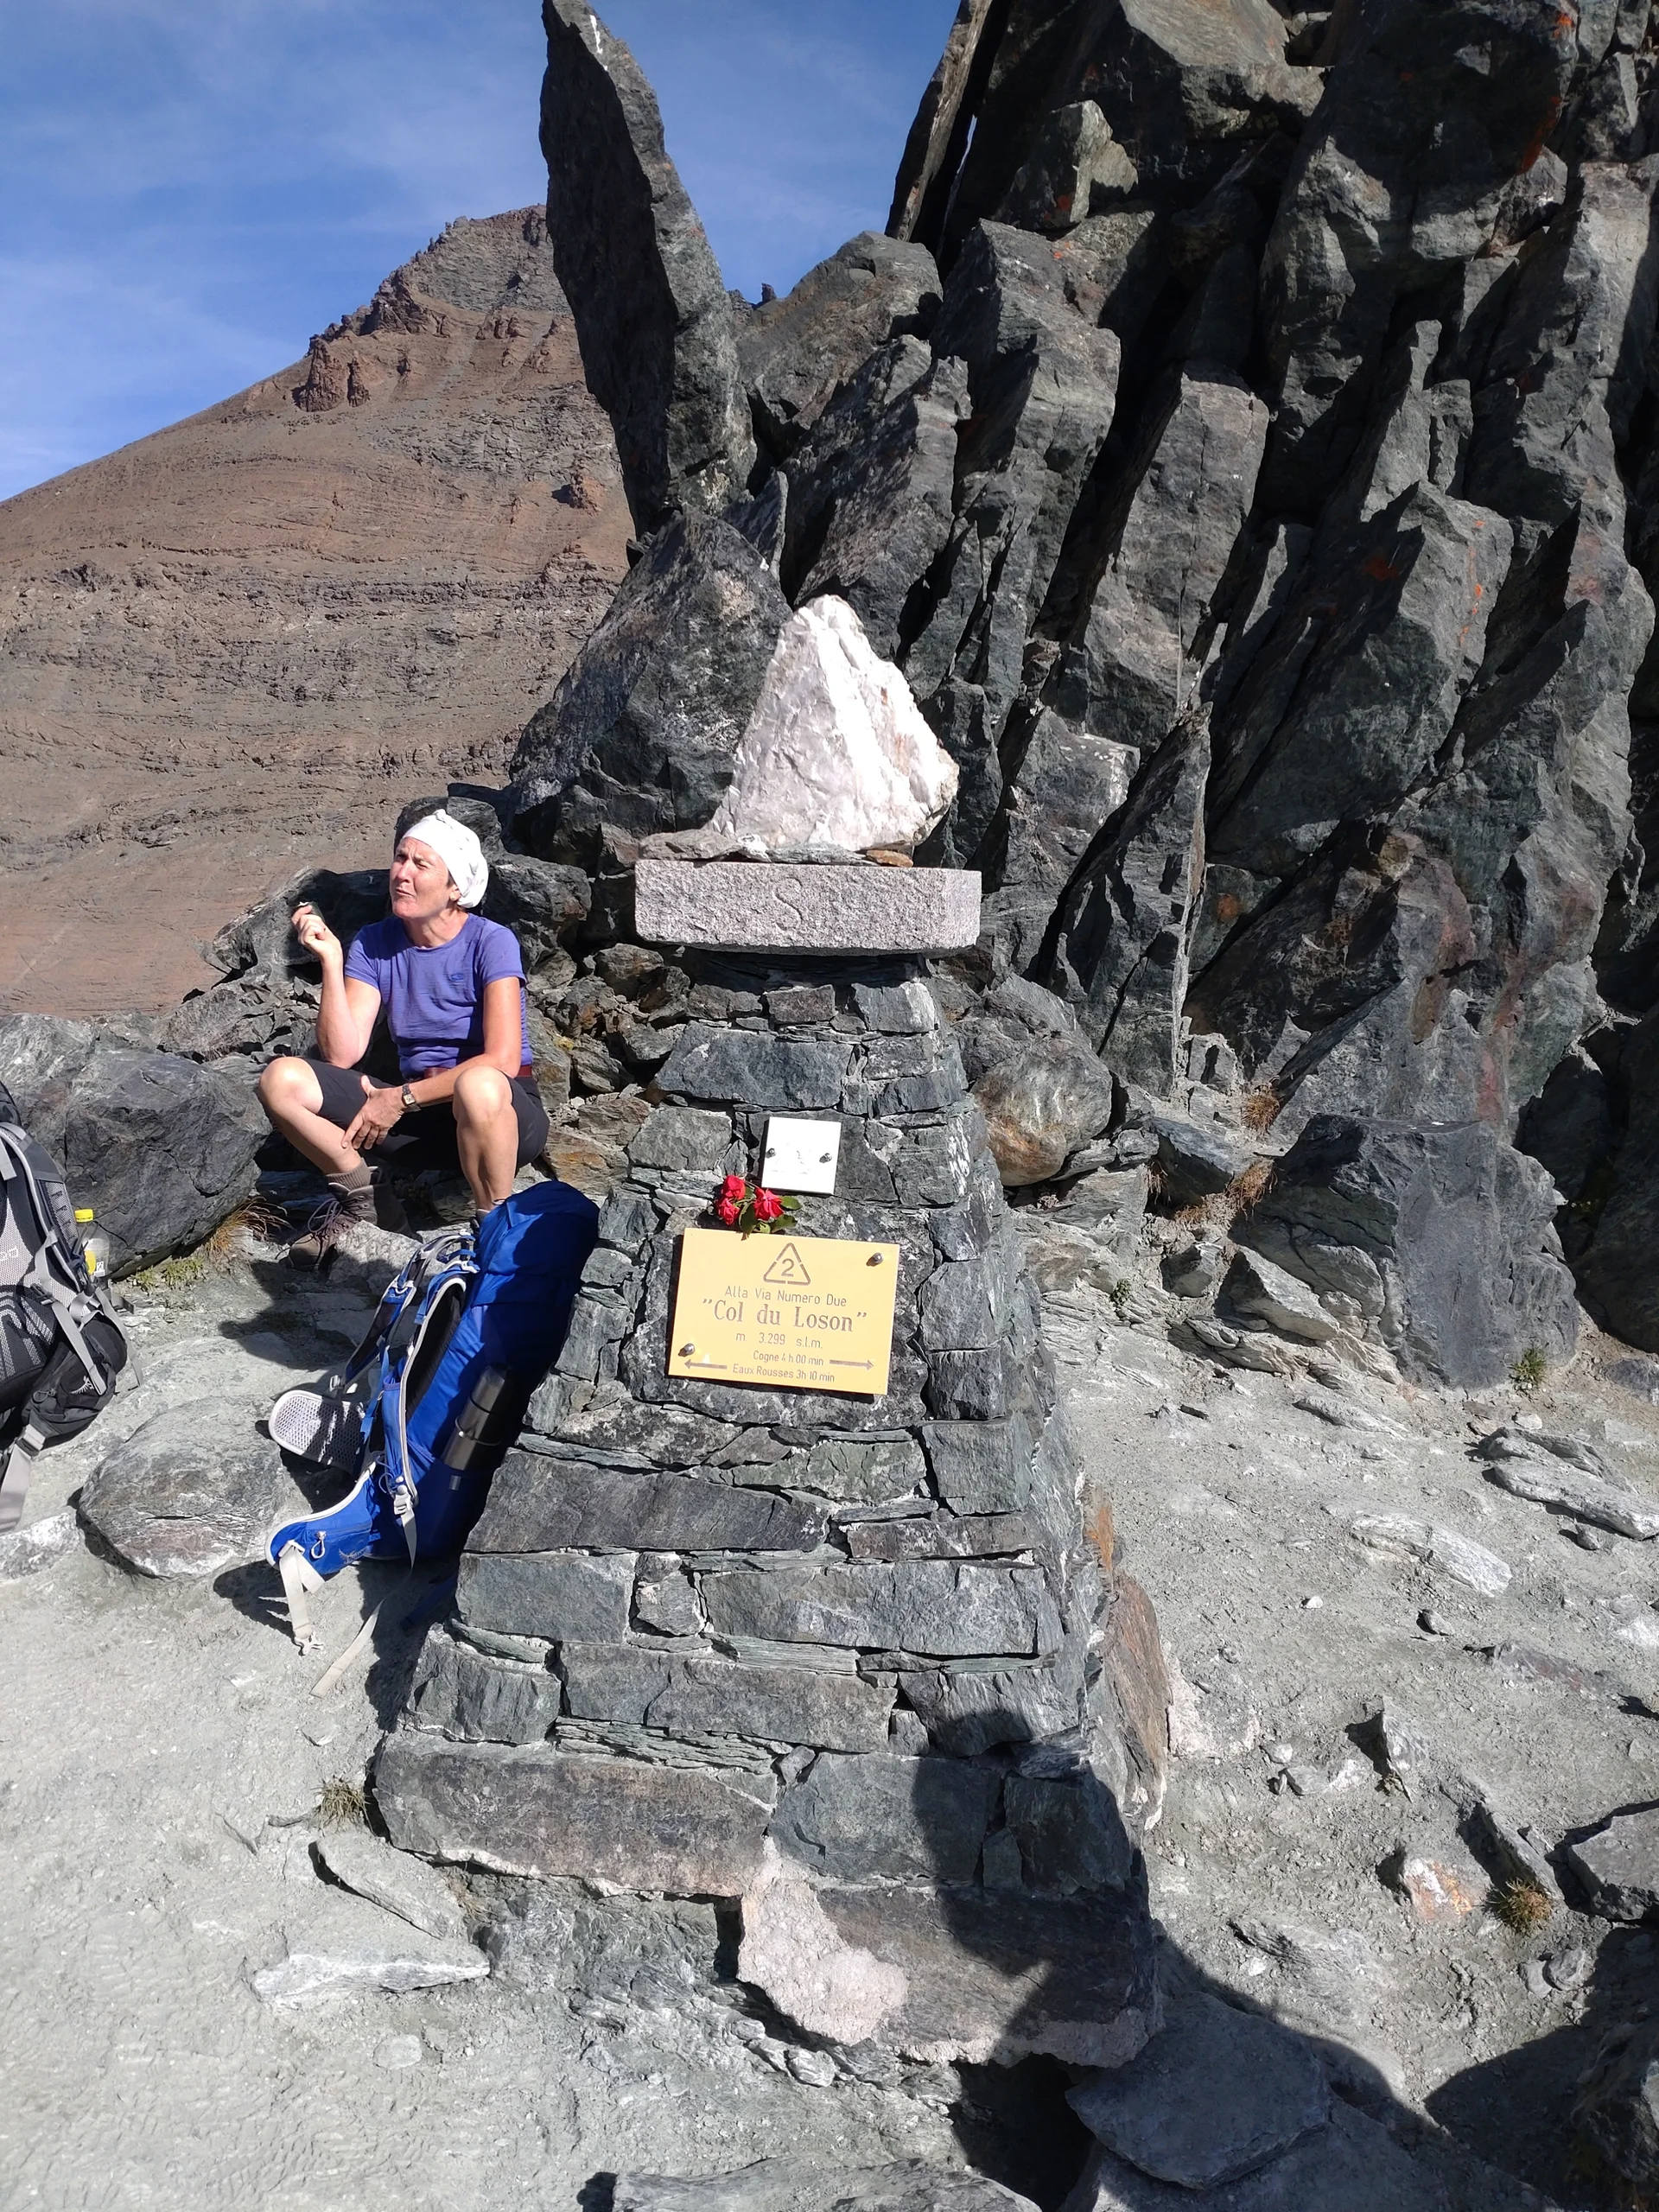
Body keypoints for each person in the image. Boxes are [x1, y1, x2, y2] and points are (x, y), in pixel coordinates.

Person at [257, 810, 550, 1264]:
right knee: (282, 1079)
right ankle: (368, 1202)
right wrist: (332, 962)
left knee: (480, 1084)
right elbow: (342, 1052)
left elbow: (504, 1059)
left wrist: (400, 1099)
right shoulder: (375, 943)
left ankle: (493, 1229)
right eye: (400, 858)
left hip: (501, 1113)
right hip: (418, 1119)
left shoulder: (491, 942)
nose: (402, 874)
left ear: (456, 889)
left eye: (421, 865)